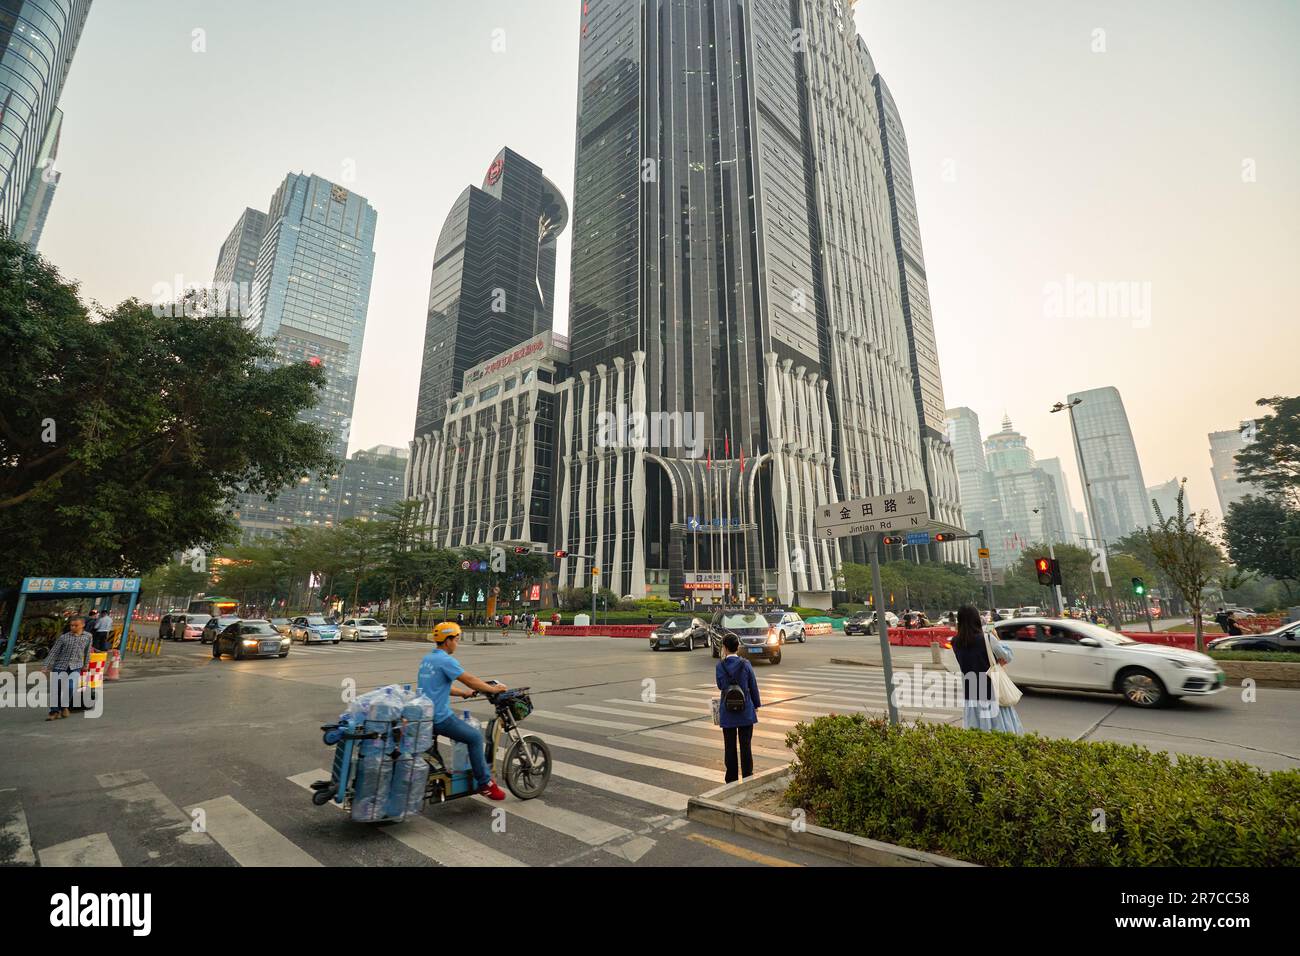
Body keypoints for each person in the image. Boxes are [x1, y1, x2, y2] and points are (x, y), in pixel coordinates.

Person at [417, 622, 507, 800]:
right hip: (439, 717)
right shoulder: (445, 660)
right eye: (456, 640)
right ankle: (485, 783)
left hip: (424, 714)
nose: (457, 643)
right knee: (473, 737)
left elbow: (438, 687)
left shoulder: (428, 659)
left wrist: (463, 694)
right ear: (447, 640)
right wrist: (494, 689)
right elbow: (470, 680)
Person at [949, 605, 1022, 734]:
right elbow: (1007, 656)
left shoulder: (955, 642)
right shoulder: (987, 638)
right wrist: (996, 638)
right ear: (977, 619)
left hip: (971, 690)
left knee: (976, 731)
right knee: (1000, 731)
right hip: (991, 690)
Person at [715, 633, 762, 783]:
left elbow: (720, 686)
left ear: (725, 648)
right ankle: (748, 776)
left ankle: (731, 779)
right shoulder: (745, 664)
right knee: (746, 746)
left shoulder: (720, 666)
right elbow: (753, 686)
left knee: (729, 747)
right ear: (738, 647)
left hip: (728, 711)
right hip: (745, 710)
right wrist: (756, 705)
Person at [43, 616, 92, 721]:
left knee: (70, 686)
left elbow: (87, 652)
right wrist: (45, 666)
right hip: (60, 666)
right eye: (71, 625)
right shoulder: (63, 637)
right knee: (57, 689)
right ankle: (54, 711)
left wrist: (86, 664)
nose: (73, 627)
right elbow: (54, 652)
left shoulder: (88, 637)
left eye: (76, 625)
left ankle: (64, 706)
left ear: (82, 625)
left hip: (76, 667)